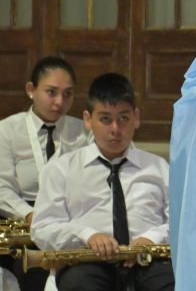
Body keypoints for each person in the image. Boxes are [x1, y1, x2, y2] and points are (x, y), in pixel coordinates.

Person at [31, 73, 173, 291]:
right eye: (105, 119)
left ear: (136, 118)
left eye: (124, 118)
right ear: (88, 119)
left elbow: (181, 222)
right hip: (88, 262)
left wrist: (151, 239)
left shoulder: (159, 167)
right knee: (79, 284)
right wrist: (87, 235)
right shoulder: (61, 169)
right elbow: (42, 229)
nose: (115, 129)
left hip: (149, 259)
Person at [0, 57, 89, 291]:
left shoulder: (83, 131)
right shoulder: (7, 130)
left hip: (68, 214)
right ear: (31, 90)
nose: (60, 102)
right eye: (51, 92)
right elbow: (2, 187)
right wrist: (30, 215)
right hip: (24, 214)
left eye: (68, 94)